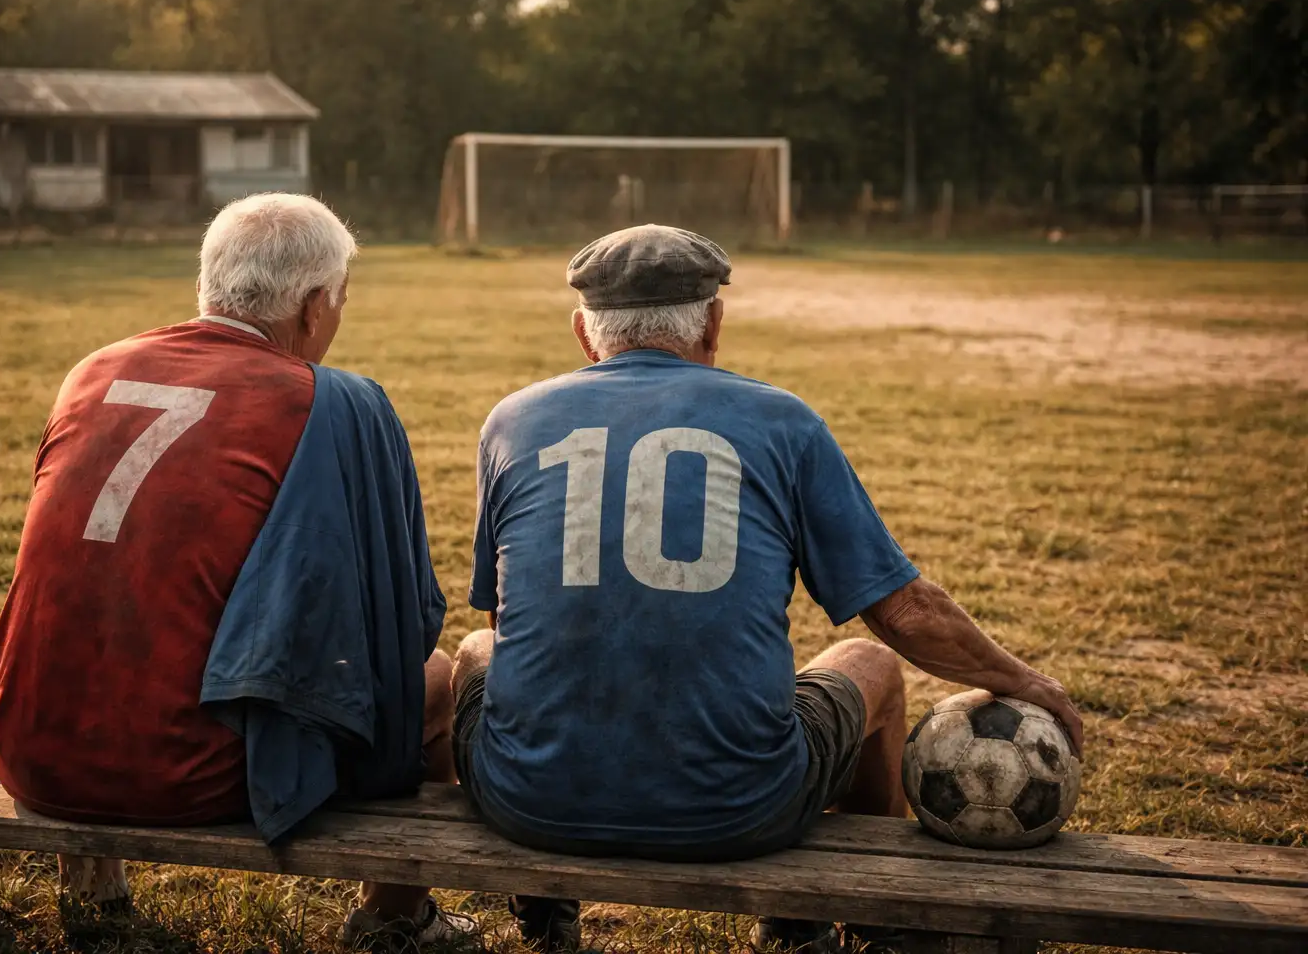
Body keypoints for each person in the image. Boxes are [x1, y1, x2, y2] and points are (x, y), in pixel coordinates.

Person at [452, 224, 1084, 953]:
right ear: (713, 324)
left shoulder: (512, 420)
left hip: (527, 802)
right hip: (741, 809)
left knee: (476, 646)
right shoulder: (782, 420)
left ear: (583, 333)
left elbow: (507, 621)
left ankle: (542, 911)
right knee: (869, 664)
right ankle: (845, 920)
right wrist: (1024, 680)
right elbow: (905, 612)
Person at [0, 193, 469, 951]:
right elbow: (397, 626)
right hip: (190, 773)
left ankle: (94, 885)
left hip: (31, 747)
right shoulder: (338, 401)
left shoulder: (93, 370)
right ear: (311, 307)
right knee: (437, 676)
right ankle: (396, 919)